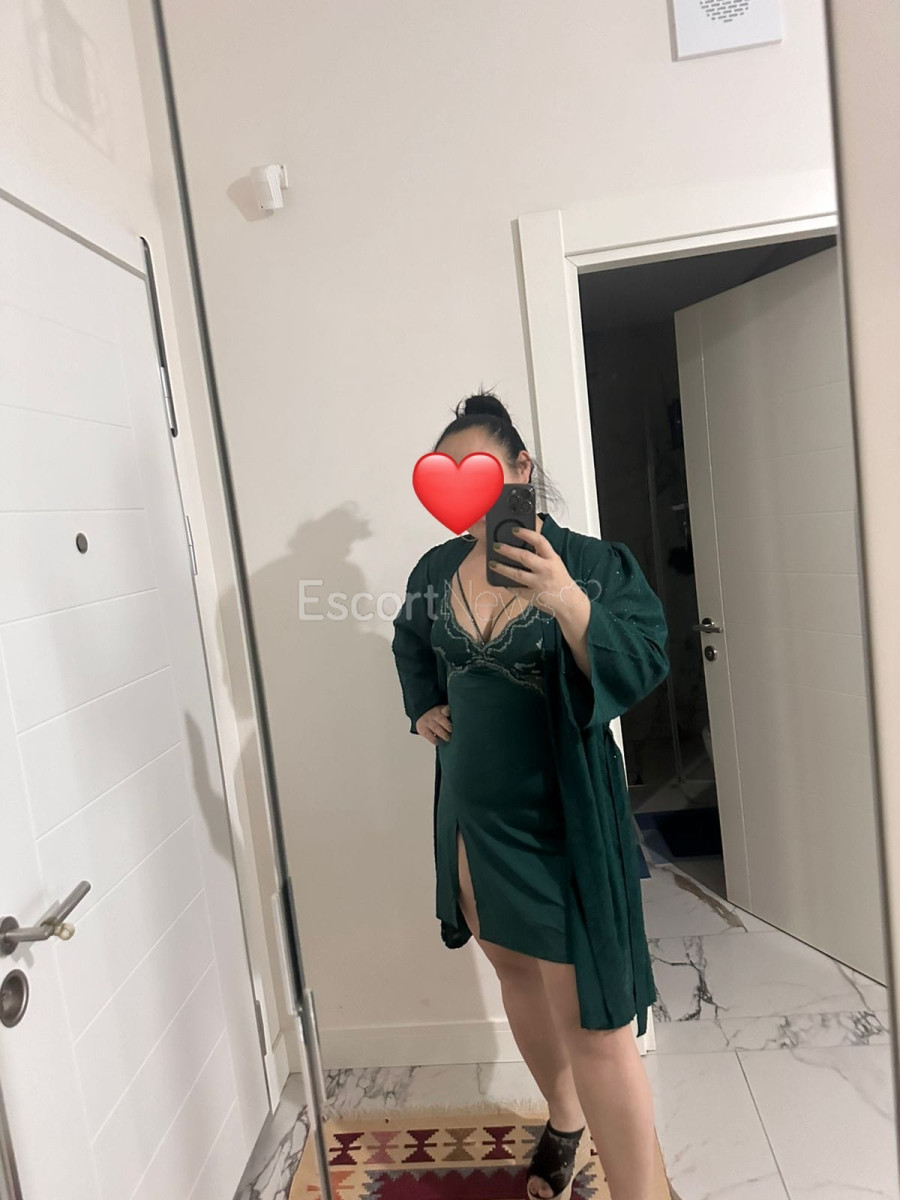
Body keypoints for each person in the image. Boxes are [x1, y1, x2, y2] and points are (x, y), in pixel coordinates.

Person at [391, 391, 670, 1200]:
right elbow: (411, 640)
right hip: (471, 821)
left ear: (520, 469)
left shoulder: (591, 563)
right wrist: (422, 705)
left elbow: (645, 659)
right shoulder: (437, 570)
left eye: (481, 469)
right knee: (514, 972)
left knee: (598, 1027)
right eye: (449, 473)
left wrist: (568, 601)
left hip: (561, 824)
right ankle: (564, 1119)